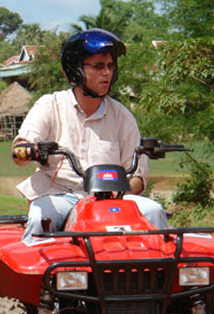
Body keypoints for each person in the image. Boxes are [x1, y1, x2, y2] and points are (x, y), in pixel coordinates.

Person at [11, 28, 167, 243]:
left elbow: (138, 178)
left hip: (111, 200)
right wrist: (27, 151)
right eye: (98, 66)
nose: (107, 73)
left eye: (110, 66)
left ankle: (157, 274)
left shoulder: (123, 116)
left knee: (154, 211)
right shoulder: (50, 105)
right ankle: (31, 276)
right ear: (75, 69)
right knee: (39, 218)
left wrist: (117, 193)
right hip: (59, 196)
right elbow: (20, 148)